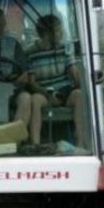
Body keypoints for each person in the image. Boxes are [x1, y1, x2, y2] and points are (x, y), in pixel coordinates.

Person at [23, 14, 87, 148]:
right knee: (35, 100)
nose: (61, 34)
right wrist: (47, 93)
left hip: (64, 92)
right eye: (58, 30)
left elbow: (73, 72)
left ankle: (81, 142)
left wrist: (83, 84)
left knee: (80, 95)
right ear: (46, 33)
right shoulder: (30, 52)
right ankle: (36, 144)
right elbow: (32, 82)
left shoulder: (65, 48)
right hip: (44, 93)